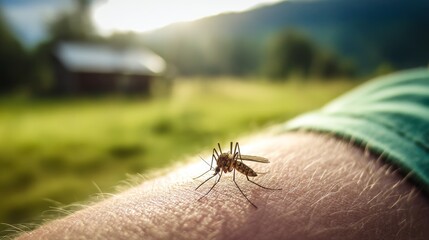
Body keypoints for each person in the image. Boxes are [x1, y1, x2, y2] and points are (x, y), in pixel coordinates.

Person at [16, 68, 429, 239]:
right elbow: (218, 169)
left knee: (234, 177)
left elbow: (229, 168)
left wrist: (242, 174)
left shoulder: (234, 165)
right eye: (223, 161)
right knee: (218, 173)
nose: (221, 164)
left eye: (223, 161)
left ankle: (252, 186)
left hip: (253, 173)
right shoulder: (221, 162)